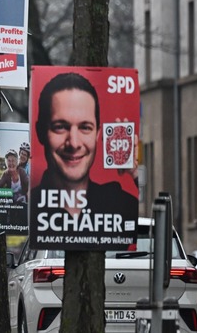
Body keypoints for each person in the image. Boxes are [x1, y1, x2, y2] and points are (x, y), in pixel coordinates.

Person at [30, 72, 137, 237]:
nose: (73, 143)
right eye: (60, 126)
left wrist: (136, 177)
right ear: (40, 132)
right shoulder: (28, 206)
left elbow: (158, 226)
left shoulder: (120, 203)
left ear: (98, 134)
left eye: (85, 127)